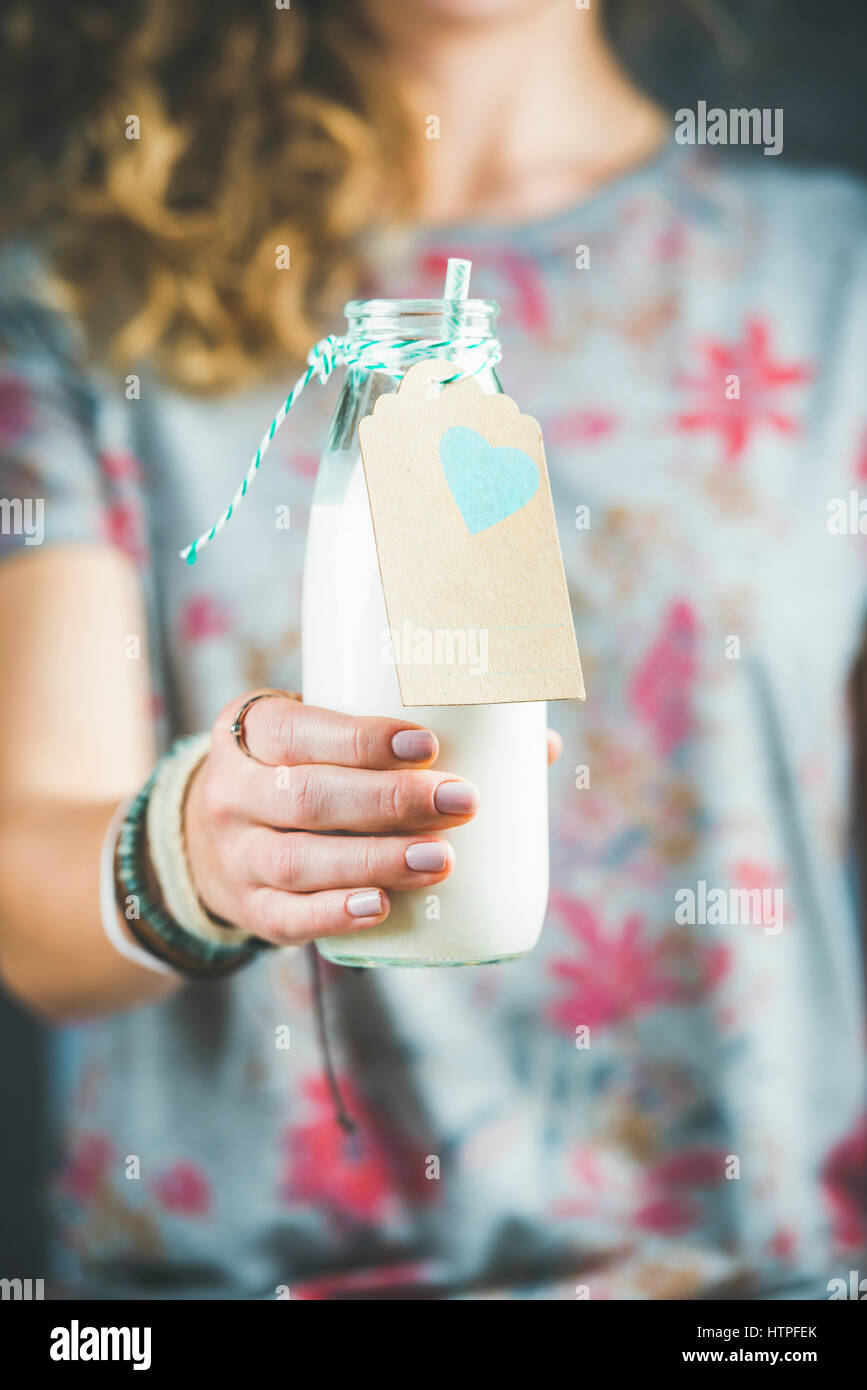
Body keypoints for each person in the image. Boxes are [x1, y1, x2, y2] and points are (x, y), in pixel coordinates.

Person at [0, 0, 864, 1300]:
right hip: (244, 1282)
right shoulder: (86, 299)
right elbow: (30, 896)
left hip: (742, 1289)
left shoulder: (834, 283)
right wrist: (197, 844)